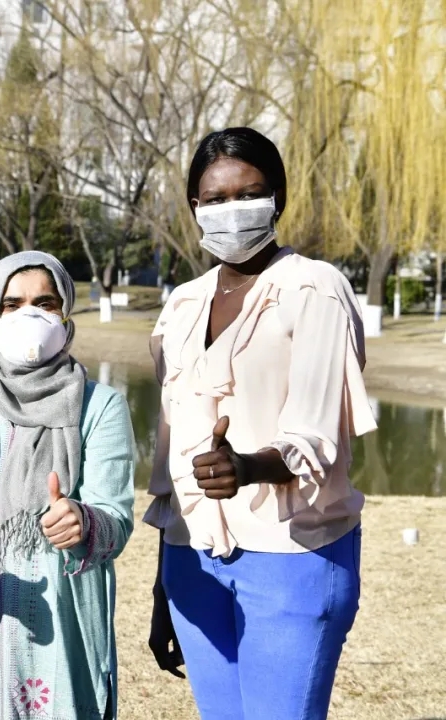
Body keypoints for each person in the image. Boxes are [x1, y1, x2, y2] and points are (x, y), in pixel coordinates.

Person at [146, 127, 378, 720]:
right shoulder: (182, 305)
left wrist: (246, 466)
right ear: (195, 207)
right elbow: (172, 451)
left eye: (248, 193)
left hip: (291, 555)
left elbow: (317, 435)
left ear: (277, 197)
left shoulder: (313, 289)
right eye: (215, 199)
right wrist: (162, 587)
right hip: (190, 561)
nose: (232, 210)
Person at [0, 251, 136, 719]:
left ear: (65, 316)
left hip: (60, 627)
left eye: (45, 302)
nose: (30, 315)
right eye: (12, 304)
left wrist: (82, 521)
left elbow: (117, 521)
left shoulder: (99, 407)